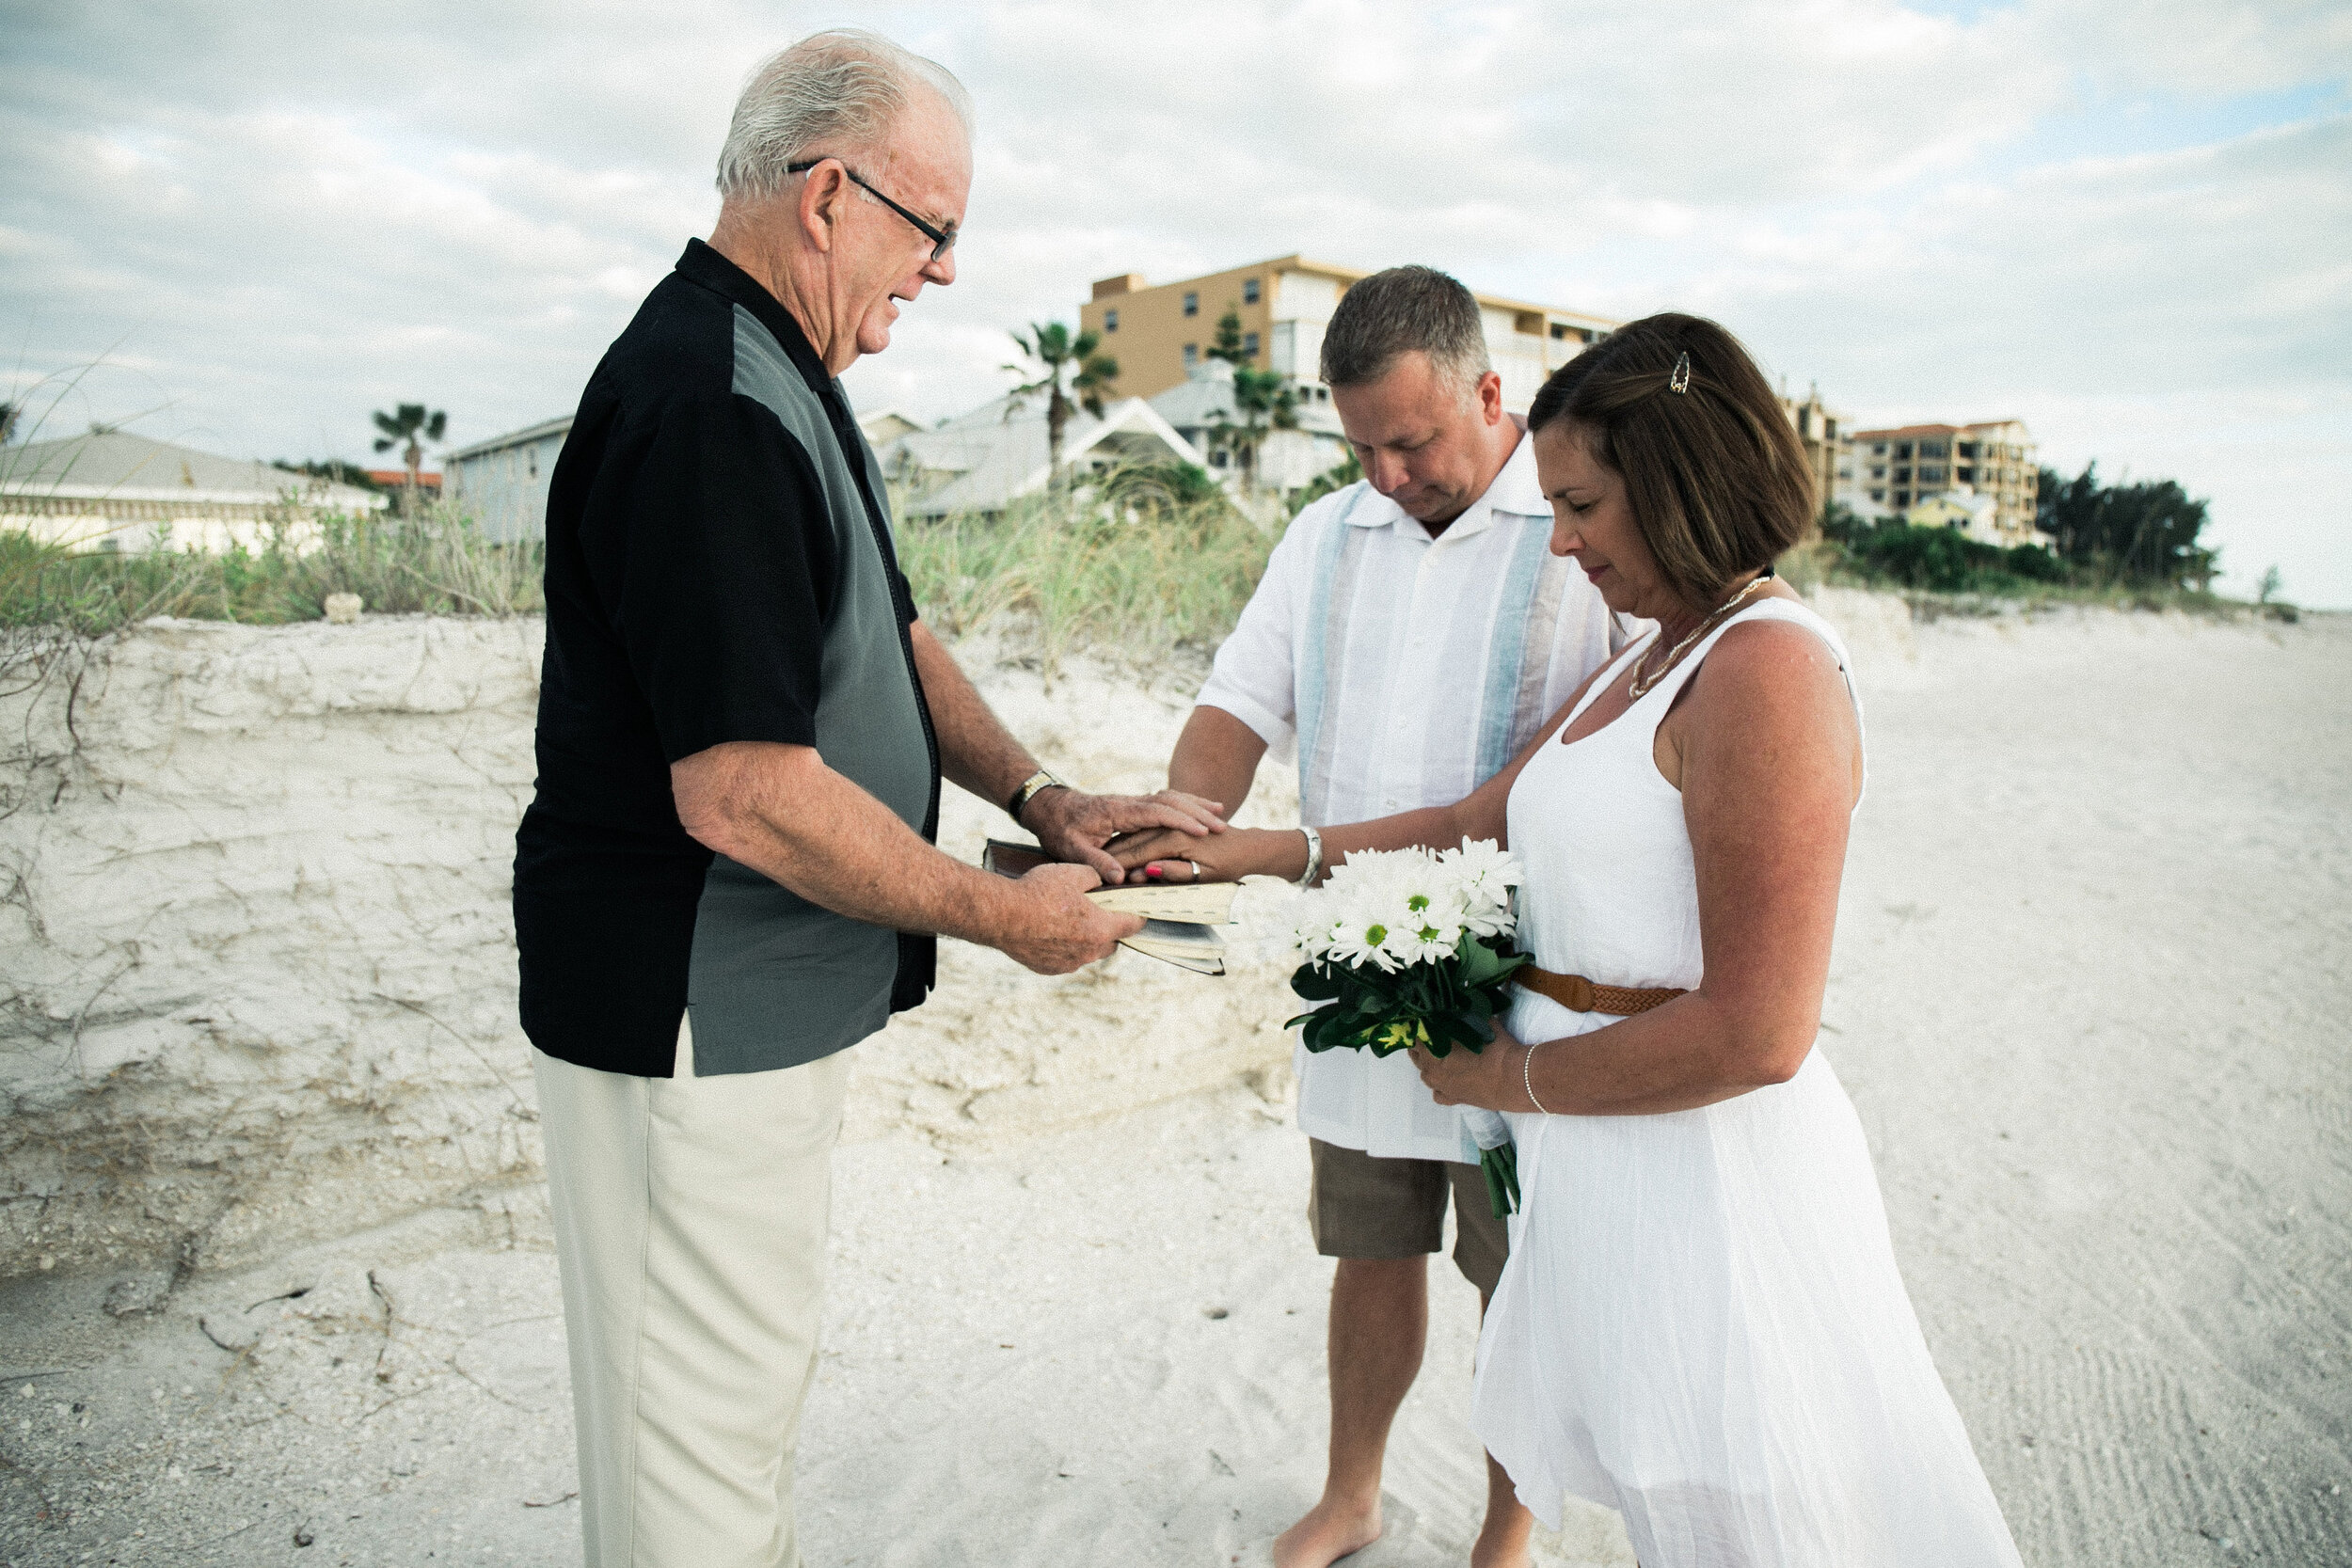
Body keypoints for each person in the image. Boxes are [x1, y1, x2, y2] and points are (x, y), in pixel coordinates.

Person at [1120, 313, 2023, 1564]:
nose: (1567, 538)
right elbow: (1465, 816)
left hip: (1690, 1161)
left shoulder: (1765, 667)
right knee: (1666, 1489)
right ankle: (1357, 1491)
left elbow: (1763, 1033)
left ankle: (1508, 1536)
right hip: (1586, 1133)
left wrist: (1506, 1080)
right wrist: (1244, 852)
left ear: (1682, 483)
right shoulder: (1657, 650)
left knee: (1751, 1490)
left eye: (1586, 505)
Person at [511, 32, 1223, 1567]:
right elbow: (746, 798)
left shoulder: (785, 369)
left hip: (751, 1009)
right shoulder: (711, 400)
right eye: (937, 228)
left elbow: (887, 636)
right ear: (828, 194)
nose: (951, 272)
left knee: (731, 1403)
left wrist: (1048, 794)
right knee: (687, 1449)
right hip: (686, 1013)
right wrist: (1003, 920)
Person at [1142, 265, 1628, 1568]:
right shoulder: (1325, 534)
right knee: (1370, 1242)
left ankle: (1507, 1531)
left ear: (1488, 390)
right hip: (1356, 963)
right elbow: (1241, 700)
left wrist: (1277, 846)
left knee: (1514, 1275)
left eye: (1413, 441)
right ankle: (1352, 1494)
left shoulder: (1581, 531)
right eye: (1361, 446)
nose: (1389, 474)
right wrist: (1182, 829)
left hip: (1530, 978)